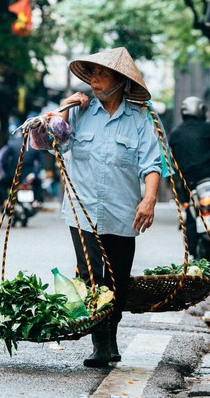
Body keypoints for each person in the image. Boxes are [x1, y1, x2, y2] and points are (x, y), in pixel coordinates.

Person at [58, 47, 162, 368]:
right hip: (82, 211)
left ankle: (111, 335)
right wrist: (64, 108)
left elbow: (152, 163)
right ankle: (100, 343)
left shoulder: (141, 119)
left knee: (116, 280)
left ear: (120, 82)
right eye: (92, 75)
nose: (95, 81)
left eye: (102, 75)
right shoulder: (79, 112)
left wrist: (149, 198)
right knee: (91, 279)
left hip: (121, 213)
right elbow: (51, 140)